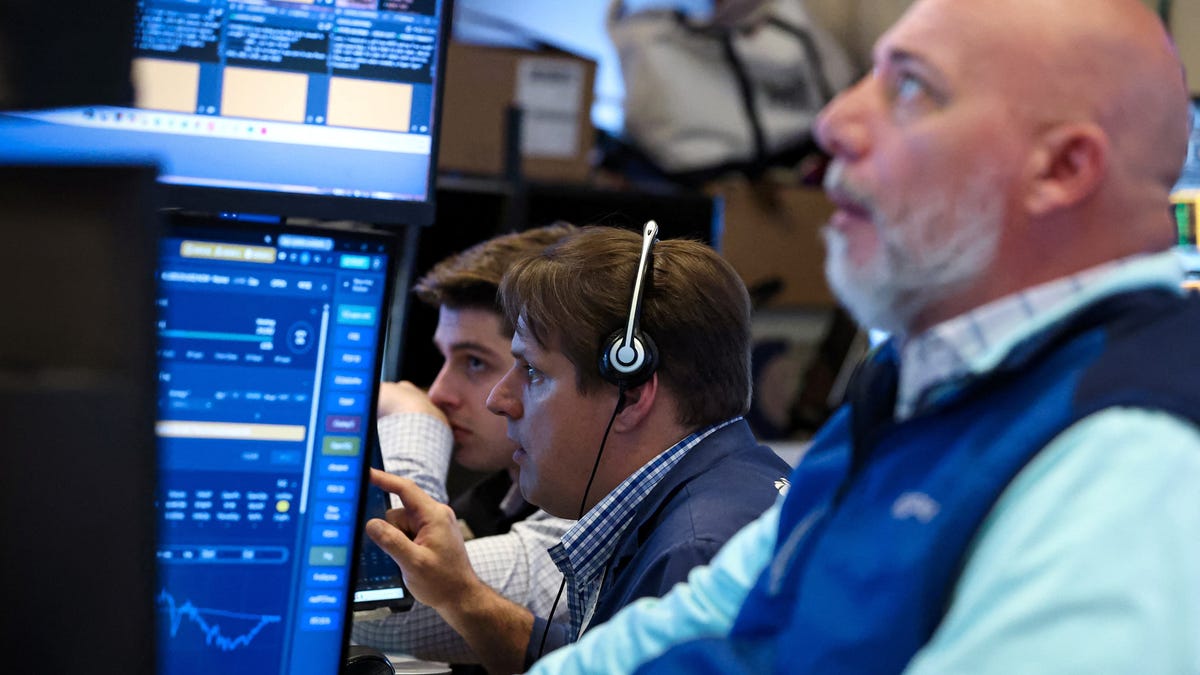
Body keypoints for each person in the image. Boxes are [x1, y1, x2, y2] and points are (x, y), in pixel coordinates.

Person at [523, 0, 1200, 673]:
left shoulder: (1131, 462)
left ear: (1061, 169)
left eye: (911, 86)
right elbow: (701, 619)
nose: (833, 122)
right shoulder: (912, 386)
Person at [365, 225, 792, 674]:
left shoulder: (692, 554)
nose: (499, 399)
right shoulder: (731, 483)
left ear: (629, 395)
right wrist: (459, 596)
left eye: (532, 371)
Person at [352, 224, 579, 664]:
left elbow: (381, 600)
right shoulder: (498, 497)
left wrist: (413, 418)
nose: (440, 393)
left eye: (475, 362)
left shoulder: (591, 510)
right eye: (445, 358)